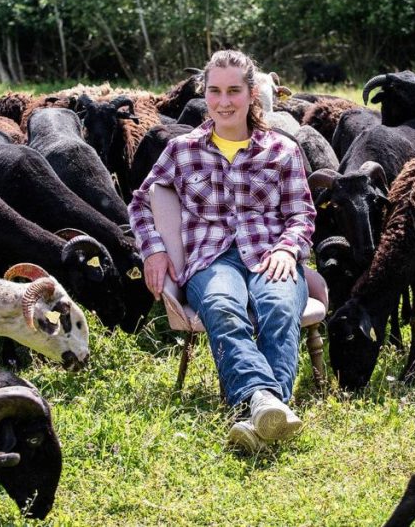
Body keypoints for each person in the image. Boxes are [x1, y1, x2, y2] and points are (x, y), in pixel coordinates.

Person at [128, 50, 316, 452]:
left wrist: (288, 248)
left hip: (270, 254)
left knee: (279, 308)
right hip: (210, 259)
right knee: (222, 305)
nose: (224, 101)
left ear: (252, 95)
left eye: (234, 91)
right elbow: (141, 202)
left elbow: (302, 212)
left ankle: (256, 412)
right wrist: (154, 251)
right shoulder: (182, 150)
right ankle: (268, 404)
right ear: (205, 94)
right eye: (215, 91)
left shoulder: (282, 150)